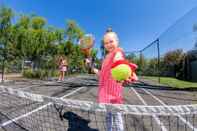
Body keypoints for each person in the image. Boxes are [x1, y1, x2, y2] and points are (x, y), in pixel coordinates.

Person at [87, 29, 138, 131]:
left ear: (117, 42)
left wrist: (122, 65)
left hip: (114, 94)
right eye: (106, 43)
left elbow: (119, 59)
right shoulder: (105, 58)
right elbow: (102, 74)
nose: (108, 44)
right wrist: (91, 67)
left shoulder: (118, 51)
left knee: (117, 118)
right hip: (104, 93)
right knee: (108, 117)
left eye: (111, 41)